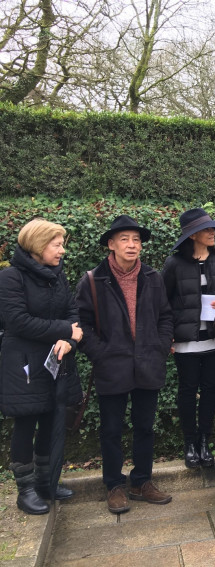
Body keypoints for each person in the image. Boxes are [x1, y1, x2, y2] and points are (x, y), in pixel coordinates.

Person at [76, 215, 173, 514]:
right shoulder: (94, 279)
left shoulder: (152, 278)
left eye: (136, 240)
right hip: (112, 366)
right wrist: (100, 353)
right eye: (125, 239)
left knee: (145, 427)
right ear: (111, 244)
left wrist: (158, 347)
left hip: (148, 363)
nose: (132, 245)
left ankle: (141, 481)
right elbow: (82, 323)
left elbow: (166, 316)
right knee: (111, 429)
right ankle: (114, 485)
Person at [0, 219, 83, 515]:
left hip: (55, 362)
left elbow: (74, 315)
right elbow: (17, 321)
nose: (62, 251)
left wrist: (69, 343)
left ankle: (46, 482)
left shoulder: (57, 276)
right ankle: (25, 491)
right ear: (38, 245)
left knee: (51, 420)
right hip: (23, 365)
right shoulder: (11, 278)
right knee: (25, 423)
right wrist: (64, 330)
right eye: (57, 244)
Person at [162, 208, 215, 470]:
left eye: (213, 228)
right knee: (188, 391)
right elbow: (163, 302)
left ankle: (204, 441)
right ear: (192, 236)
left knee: (211, 391)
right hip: (186, 341)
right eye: (206, 229)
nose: (212, 232)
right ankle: (189, 443)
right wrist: (167, 335)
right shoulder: (174, 264)